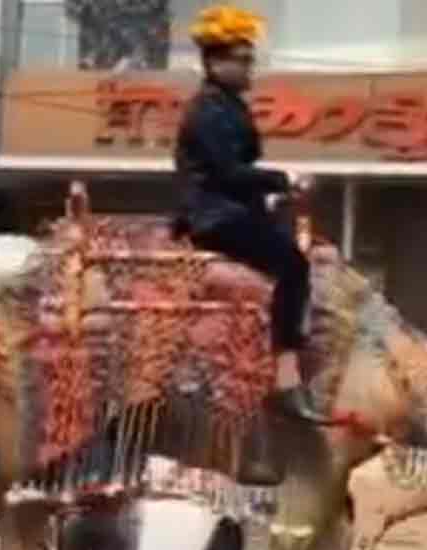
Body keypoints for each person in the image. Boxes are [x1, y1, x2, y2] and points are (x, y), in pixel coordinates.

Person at [172, 5, 323, 422]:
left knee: (286, 256)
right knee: (293, 266)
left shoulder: (230, 105)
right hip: (213, 216)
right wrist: (283, 180)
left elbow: (237, 173)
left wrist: (272, 196)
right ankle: (286, 378)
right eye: (241, 59)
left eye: (250, 58)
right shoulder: (206, 110)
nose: (249, 66)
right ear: (215, 62)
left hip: (230, 208)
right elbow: (228, 172)